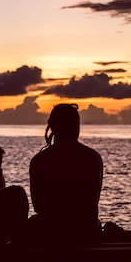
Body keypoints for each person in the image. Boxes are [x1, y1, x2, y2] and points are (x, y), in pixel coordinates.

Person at [29, 103, 104, 246]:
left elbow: (38, 206)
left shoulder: (39, 160)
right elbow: (92, 201)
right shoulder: (92, 157)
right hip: (87, 232)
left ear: (52, 126)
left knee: (33, 221)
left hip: (52, 232)